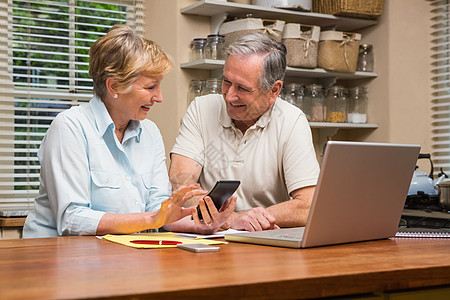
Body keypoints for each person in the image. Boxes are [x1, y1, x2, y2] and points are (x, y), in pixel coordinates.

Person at [22, 24, 236, 238]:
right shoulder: (69, 127)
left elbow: (159, 211)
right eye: (150, 87)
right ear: (114, 87)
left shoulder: (150, 133)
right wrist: (151, 219)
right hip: (56, 255)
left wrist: (202, 225)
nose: (159, 97)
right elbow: (72, 219)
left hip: (119, 254)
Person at [168, 33, 320, 233]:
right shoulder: (201, 108)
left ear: (274, 91)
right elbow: (181, 179)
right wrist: (225, 220)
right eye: (226, 81)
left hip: (265, 242)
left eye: (242, 88)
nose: (230, 96)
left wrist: (243, 218)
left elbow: (308, 207)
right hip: (209, 239)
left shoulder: (292, 121)